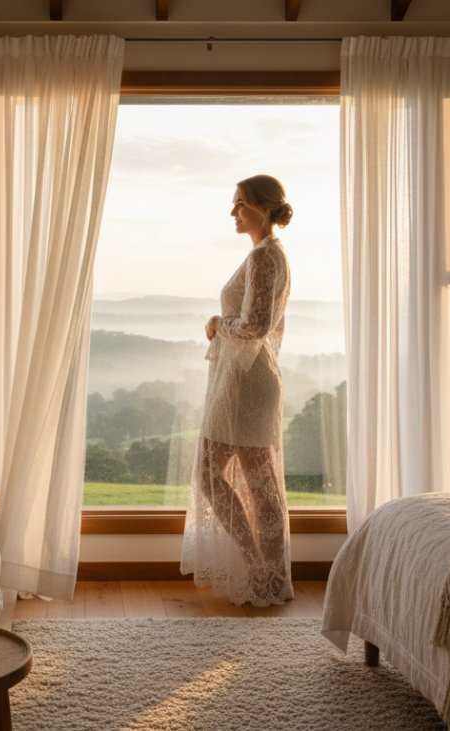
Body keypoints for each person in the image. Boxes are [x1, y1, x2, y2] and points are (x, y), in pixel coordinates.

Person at [180, 174, 294, 607]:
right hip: (249, 378)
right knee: (257, 482)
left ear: (263, 208)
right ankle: (266, 574)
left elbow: (256, 326)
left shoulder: (265, 256)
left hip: (247, 383)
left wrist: (217, 323)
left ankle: (259, 568)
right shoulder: (268, 253)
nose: (233, 211)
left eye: (240, 203)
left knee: (216, 474)